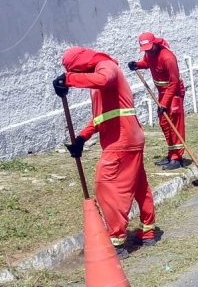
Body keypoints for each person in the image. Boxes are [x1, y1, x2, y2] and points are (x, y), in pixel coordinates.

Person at [53, 47, 157, 254]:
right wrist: (82, 137)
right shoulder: (98, 79)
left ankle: (116, 240)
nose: (80, 75)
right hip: (126, 137)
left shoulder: (106, 67)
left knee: (105, 185)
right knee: (137, 183)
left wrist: (69, 79)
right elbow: (102, 117)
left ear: (81, 63)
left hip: (122, 140)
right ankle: (148, 232)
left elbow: (102, 79)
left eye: (76, 70)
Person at [128, 31, 185, 170]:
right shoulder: (149, 53)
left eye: (149, 48)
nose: (148, 52)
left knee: (174, 124)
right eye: (145, 50)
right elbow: (147, 63)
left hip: (173, 93)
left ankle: (177, 158)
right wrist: (137, 64)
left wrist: (164, 103)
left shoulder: (168, 58)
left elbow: (174, 83)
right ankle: (171, 154)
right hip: (162, 93)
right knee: (165, 123)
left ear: (155, 43)